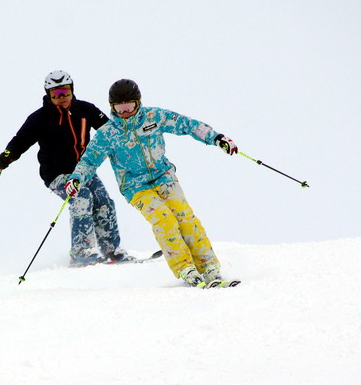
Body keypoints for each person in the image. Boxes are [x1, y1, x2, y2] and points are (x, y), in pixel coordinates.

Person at [65, 79, 240, 287]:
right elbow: (89, 159)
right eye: (119, 108)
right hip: (135, 187)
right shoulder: (108, 133)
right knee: (164, 219)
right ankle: (185, 267)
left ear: (138, 103)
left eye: (129, 106)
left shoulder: (154, 117)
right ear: (112, 107)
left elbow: (187, 125)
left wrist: (216, 138)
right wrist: (76, 178)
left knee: (185, 217)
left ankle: (210, 267)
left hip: (164, 177)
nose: (125, 112)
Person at [0, 70, 131, 267]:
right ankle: (82, 252)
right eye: (56, 94)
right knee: (81, 197)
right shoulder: (40, 118)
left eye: (65, 92)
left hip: (84, 170)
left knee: (104, 201)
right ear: (48, 95)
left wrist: (129, 144)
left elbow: (109, 130)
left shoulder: (85, 110)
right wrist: (8, 155)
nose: (61, 98)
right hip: (57, 174)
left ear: (72, 91)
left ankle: (111, 250)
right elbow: (21, 140)